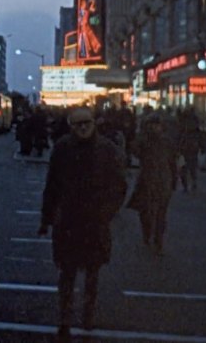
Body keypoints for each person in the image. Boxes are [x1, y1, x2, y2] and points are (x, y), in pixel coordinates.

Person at [38, 108, 127, 337]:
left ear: (93, 123)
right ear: (71, 127)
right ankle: (65, 317)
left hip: (95, 220)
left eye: (86, 123)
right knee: (66, 273)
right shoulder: (62, 148)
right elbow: (52, 186)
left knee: (92, 273)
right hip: (68, 220)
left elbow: (119, 186)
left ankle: (88, 314)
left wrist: (107, 212)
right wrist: (46, 219)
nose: (83, 128)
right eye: (78, 124)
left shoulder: (106, 149)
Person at [127, 114, 176, 255]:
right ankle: (148, 234)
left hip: (163, 181)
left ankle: (158, 241)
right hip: (147, 181)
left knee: (161, 214)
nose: (155, 128)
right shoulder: (143, 140)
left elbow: (172, 161)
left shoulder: (167, 141)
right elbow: (135, 151)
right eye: (152, 125)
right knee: (146, 212)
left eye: (157, 125)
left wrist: (174, 180)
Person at [176, 106, 202, 193]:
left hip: (185, 147)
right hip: (191, 147)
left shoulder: (182, 124)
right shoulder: (194, 124)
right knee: (191, 166)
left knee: (184, 167)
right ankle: (192, 183)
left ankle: (186, 185)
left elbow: (179, 135)